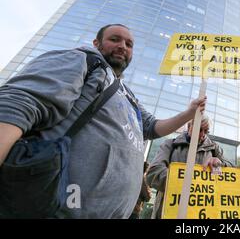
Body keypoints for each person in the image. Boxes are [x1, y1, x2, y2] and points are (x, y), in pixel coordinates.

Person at [0, 24, 206, 218]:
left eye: (129, 44)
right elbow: (19, 105)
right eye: (114, 39)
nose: (122, 46)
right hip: (59, 209)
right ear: (96, 43)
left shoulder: (127, 93)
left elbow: (152, 128)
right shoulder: (80, 60)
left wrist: (190, 112)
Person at [147, 114, 233, 219]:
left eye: (206, 131)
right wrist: (188, 183)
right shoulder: (170, 144)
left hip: (202, 213)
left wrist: (219, 163)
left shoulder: (215, 149)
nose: (202, 135)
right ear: (189, 127)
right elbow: (153, 173)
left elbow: (232, 174)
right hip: (169, 213)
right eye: (199, 129)